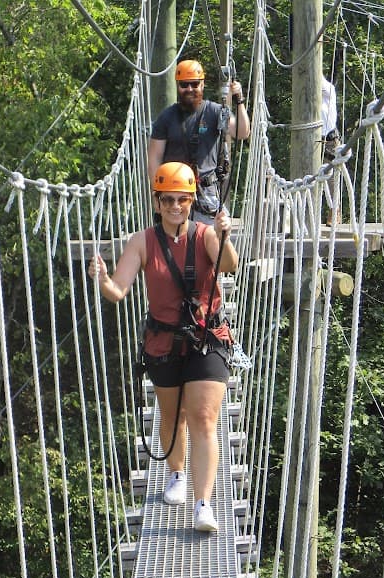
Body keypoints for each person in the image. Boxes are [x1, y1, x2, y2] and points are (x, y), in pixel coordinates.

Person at [87, 161, 238, 533]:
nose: (175, 206)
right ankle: (177, 473)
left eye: (182, 199)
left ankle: (203, 504)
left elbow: (229, 265)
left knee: (203, 416)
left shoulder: (205, 234)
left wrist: (225, 235)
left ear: (191, 201)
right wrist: (102, 279)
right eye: (168, 199)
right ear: (157, 202)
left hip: (206, 339)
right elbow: (117, 291)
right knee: (173, 416)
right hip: (163, 342)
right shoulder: (142, 242)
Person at [148, 59, 251, 224]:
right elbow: (155, 157)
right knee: (173, 239)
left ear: (202, 85)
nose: (190, 89)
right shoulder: (166, 117)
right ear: (178, 86)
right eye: (184, 85)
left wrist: (239, 100)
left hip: (205, 193)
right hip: (174, 193)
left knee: (211, 237)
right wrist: (156, 193)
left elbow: (242, 132)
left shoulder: (215, 112)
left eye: (195, 84)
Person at [322, 75, 341, 225]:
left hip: (328, 139)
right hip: (310, 138)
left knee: (331, 178)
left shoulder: (328, 88)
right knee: (310, 175)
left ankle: (335, 210)